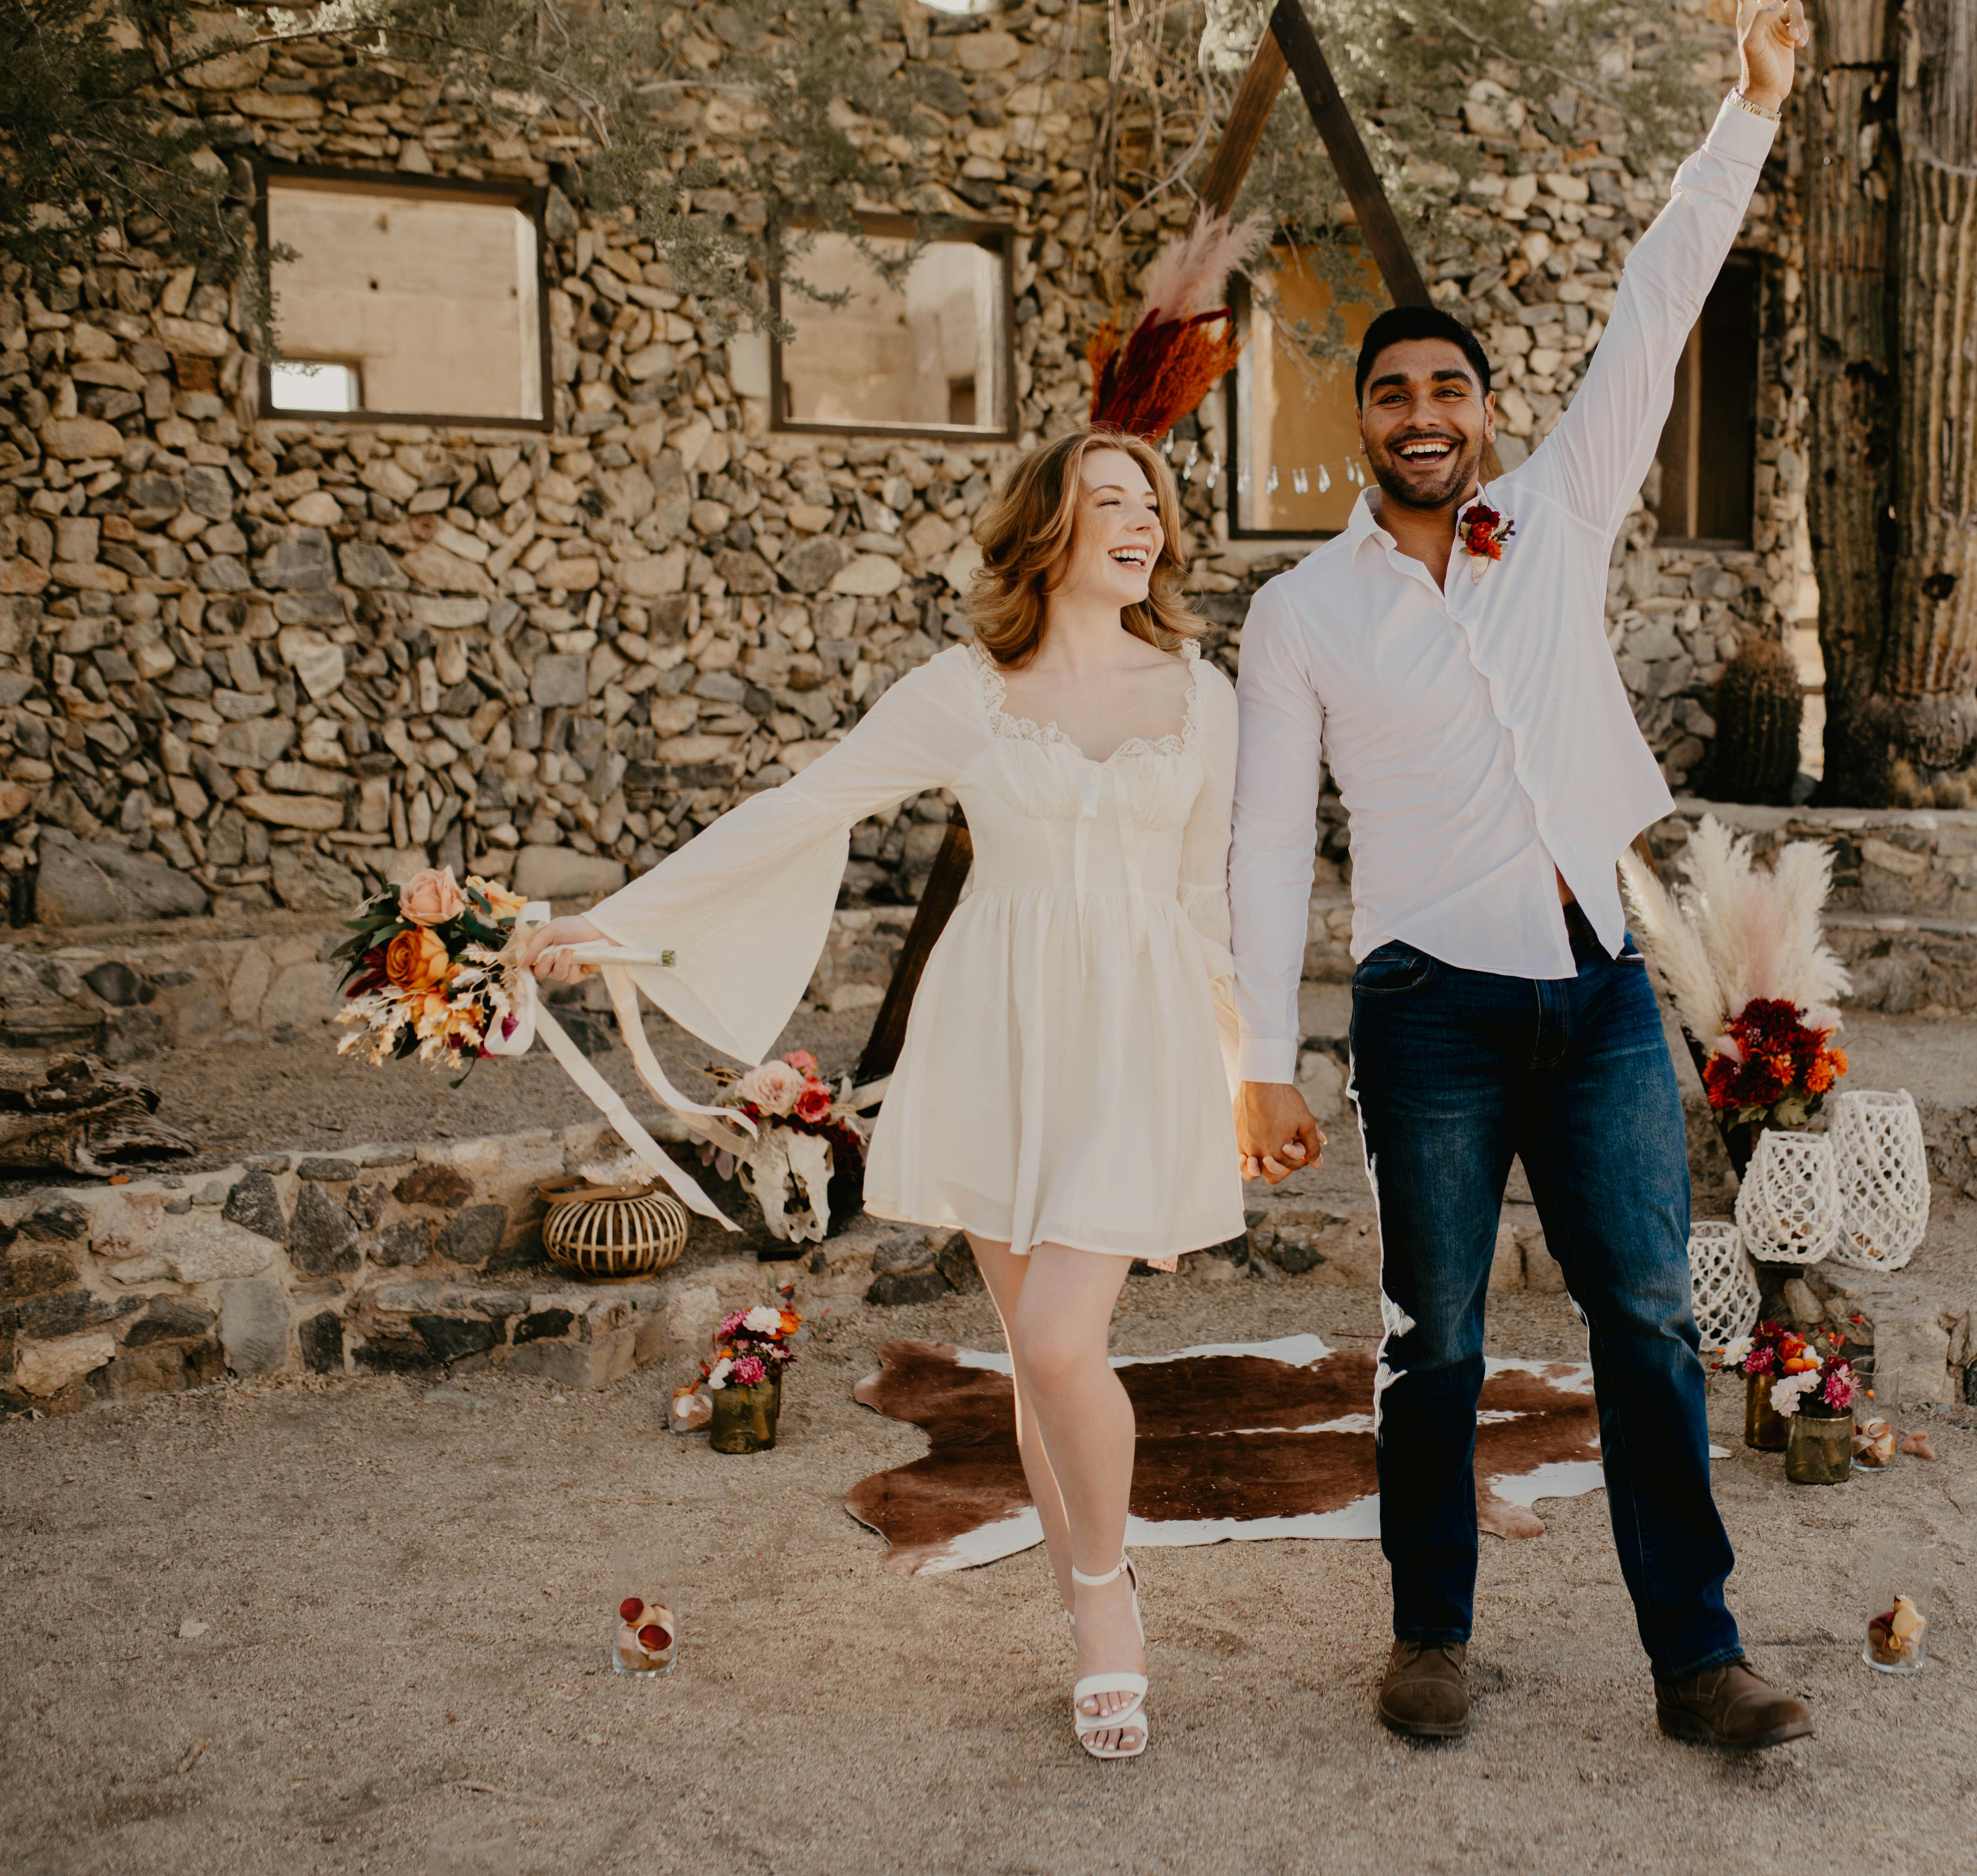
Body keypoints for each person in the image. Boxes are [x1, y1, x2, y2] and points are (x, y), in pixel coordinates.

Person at [1226, 0, 1813, 1750]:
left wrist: (1753, 113)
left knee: (1647, 1324)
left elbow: (1658, 300)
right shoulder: (1301, 614)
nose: (1425, 413)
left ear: (1483, 416)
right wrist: (1263, 1054)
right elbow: (1267, 839)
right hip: (1428, 1015)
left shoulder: (1555, 521)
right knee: (1438, 1343)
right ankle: (1430, 1638)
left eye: (1451, 387)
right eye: (1393, 390)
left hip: (1604, 992)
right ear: (1360, 425)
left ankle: (1697, 1661)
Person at [521, 430, 1241, 1761]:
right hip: (1000, 1036)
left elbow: (1206, 901)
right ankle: (1091, 1583)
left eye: (1154, 502)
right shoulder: (969, 689)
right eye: (1110, 501)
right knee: (1034, 1353)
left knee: (1069, 1345)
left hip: (1138, 1041)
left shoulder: (1203, 692)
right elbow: (802, 809)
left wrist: (1244, 1071)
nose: (1143, 523)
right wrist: (615, 924)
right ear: (1048, 527)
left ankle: (1102, 1603)